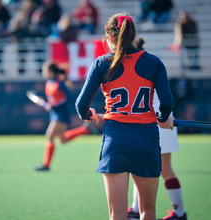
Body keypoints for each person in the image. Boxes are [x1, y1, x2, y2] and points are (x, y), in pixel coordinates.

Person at [75, 14, 174, 220]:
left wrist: (87, 115)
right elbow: (166, 103)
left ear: (109, 37)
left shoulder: (101, 63)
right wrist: (164, 117)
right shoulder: (154, 62)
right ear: (133, 34)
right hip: (146, 138)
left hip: (115, 139)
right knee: (148, 211)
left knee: (117, 213)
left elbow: (81, 105)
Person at [127, 37, 187, 220]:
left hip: (158, 122)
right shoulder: (151, 62)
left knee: (163, 169)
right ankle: (136, 209)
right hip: (155, 121)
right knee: (141, 167)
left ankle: (179, 212)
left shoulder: (139, 66)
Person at [35, 61, 94, 171]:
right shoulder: (49, 83)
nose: (43, 72)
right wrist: (44, 102)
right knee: (63, 139)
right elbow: (53, 100)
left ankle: (46, 165)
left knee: (49, 136)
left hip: (61, 114)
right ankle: (84, 130)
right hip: (54, 114)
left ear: (51, 71)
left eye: (45, 70)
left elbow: (68, 98)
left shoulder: (59, 83)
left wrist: (53, 106)